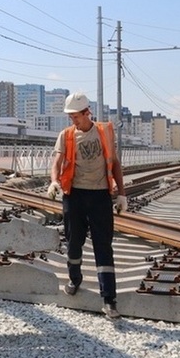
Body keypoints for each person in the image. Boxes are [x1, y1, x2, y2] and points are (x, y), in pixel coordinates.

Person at [47, 92, 127, 319]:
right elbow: (57, 162)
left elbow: (115, 163)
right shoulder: (66, 135)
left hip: (100, 196)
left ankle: (109, 300)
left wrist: (122, 194)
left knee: (103, 246)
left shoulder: (104, 132)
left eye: (76, 116)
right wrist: (54, 181)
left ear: (87, 112)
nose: (73, 120)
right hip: (75, 196)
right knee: (74, 243)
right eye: (70, 116)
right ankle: (75, 279)